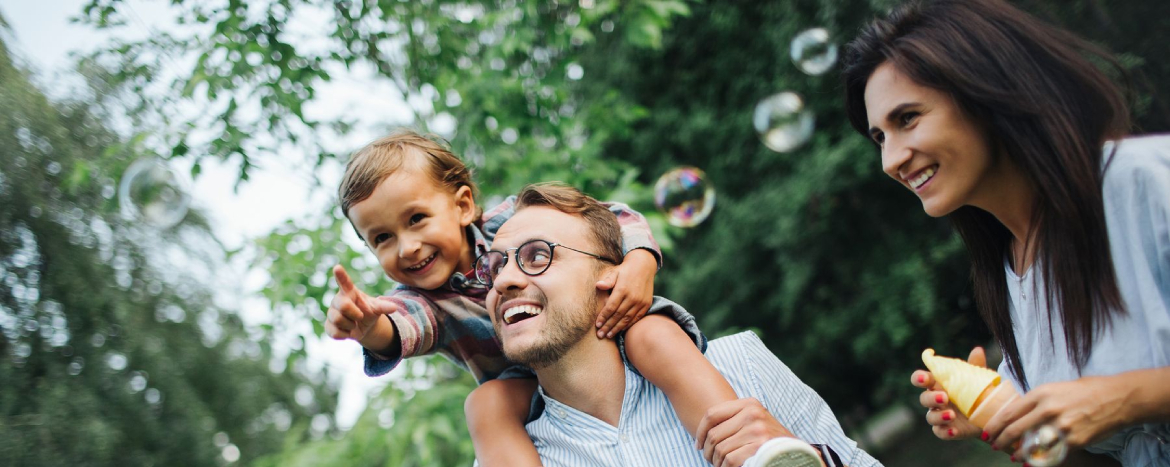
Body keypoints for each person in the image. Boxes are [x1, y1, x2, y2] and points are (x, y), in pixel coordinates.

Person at [841, 0, 1170, 464]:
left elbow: (1120, 405)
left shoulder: (1142, 181)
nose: (890, 160)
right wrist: (1016, 427)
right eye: (879, 137)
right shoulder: (1011, 271)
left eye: (907, 118)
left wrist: (1127, 397)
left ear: (986, 92)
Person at [322, 130, 742, 466]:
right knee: (485, 404)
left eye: (416, 219)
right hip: (533, 384)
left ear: (464, 205)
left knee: (651, 334)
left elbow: (611, 216)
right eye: (382, 238)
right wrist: (368, 327)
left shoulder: (517, 221)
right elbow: (399, 327)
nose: (408, 247)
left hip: (604, 332)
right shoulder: (425, 302)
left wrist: (639, 262)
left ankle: (749, 449)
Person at [479, 182, 882, 467]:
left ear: (611, 275)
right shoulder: (506, 455)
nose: (504, 280)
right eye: (495, 266)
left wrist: (805, 457)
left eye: (537, 256)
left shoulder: (739, 366)